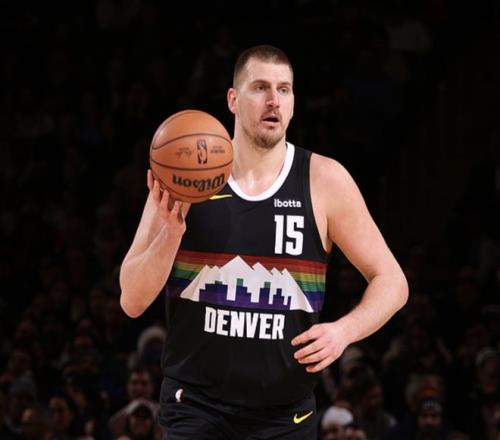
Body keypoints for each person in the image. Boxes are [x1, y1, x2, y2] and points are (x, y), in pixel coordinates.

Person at [119, 44, 408, 440]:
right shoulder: (184, 173)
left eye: (284, 89)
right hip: (196, 407)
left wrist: (344, 331)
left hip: (284, 416)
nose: (274, 100)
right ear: (233, 100)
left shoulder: (324, 180)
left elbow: (393, 282)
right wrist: (170, 233)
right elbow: (132, 301)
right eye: (260, 88)